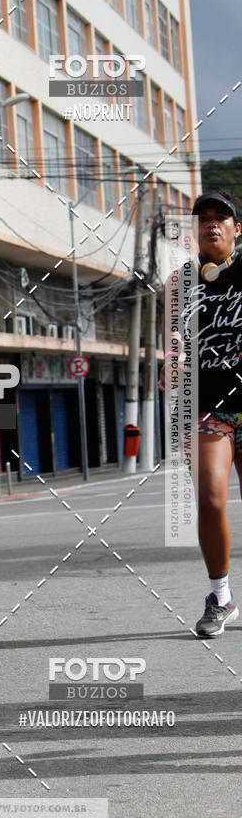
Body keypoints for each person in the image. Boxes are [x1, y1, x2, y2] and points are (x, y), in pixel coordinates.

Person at [160, 190, 242, 637]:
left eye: (221, 217)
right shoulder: (179, 282)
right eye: (203, 218)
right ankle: (221, 596)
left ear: (236, 228)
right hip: (207, 405)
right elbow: (174, 337)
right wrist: (171, 359)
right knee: (210, 499)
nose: (212, 224)